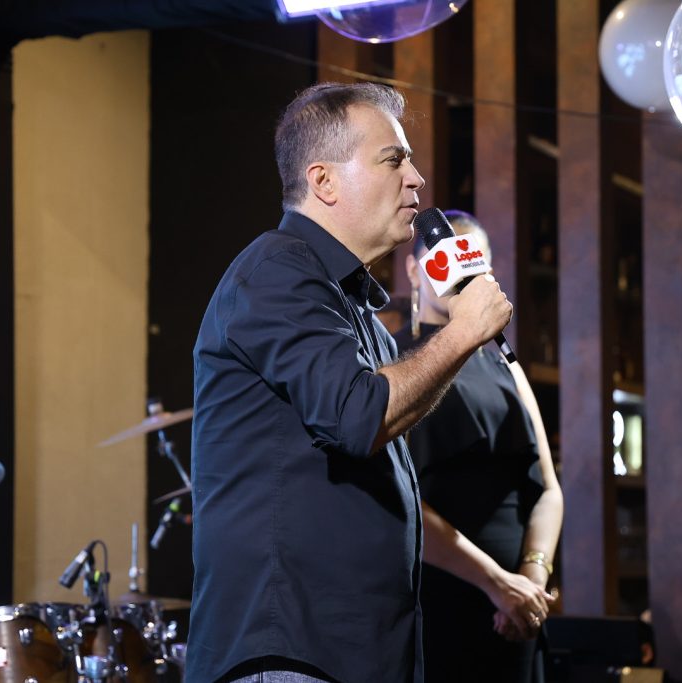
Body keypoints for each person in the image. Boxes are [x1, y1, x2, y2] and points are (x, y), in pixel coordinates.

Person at [187, 82, 552, 683]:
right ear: (324, 181)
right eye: (393, 160)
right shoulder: (278, 270)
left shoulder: (355, 312)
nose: (417, 179)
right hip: (292, 653)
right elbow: (358, 416)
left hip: (355, 655)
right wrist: (464, 330)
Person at [394, 210, 564, 683]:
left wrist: (531, 577)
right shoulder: (393, 362)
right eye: (444, 257)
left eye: (474, 260)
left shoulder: (505, 365)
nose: (460, 271)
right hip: (440, 602)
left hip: (517, 612)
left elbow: (548, 489)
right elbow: (397, 497)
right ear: (413, 271)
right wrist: (496, 583)